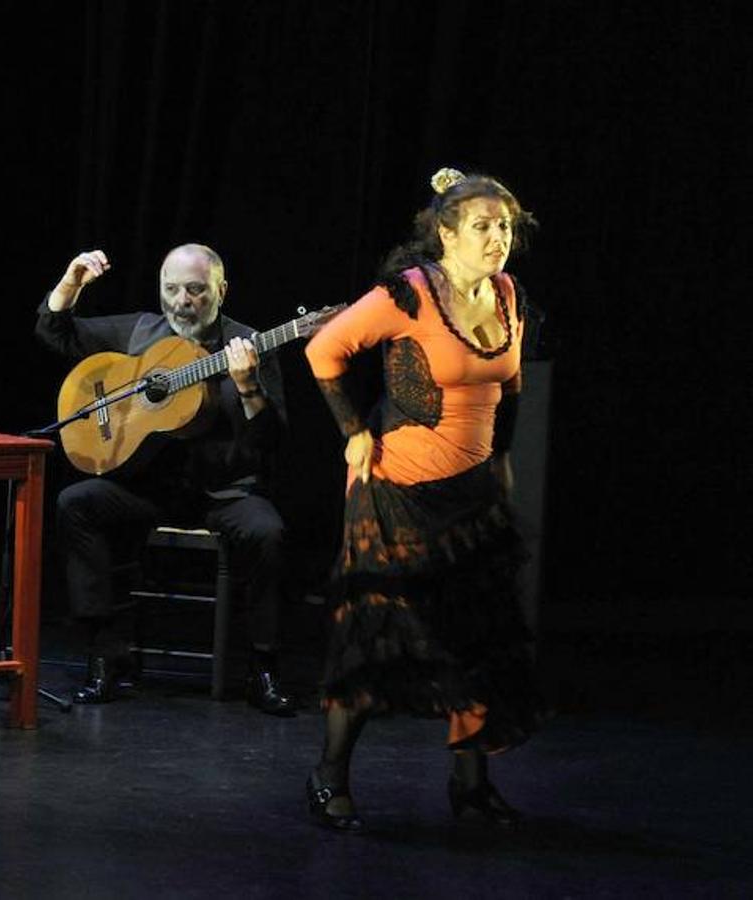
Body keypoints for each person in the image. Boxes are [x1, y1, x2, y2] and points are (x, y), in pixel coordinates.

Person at [301, 167, 544, 831]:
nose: (498, 238)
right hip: (396, 489)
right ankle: (329, 776)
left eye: (504, 227)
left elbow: (512, 386)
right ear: (446, 233)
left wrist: (500, 461)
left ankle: (470, 786)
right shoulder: (407, 295)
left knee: (477, 634)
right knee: (380, 638)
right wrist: (354, 431)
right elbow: (326, 350)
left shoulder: (507, 293)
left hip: (471, 494)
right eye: (483, 227)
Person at [36, 244, 297, 715]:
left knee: (268, 532)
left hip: (223, 491)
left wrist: (247, 386)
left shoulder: (248, 344)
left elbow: (270, 442)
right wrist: (71, 282)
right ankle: (104, 656)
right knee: (76, 503)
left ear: (221, 290)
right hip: (148, 488)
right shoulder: (139, 330)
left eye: (196, 291)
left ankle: (263, 668)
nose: (182, 302)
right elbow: (56, 333)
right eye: (171, 290)